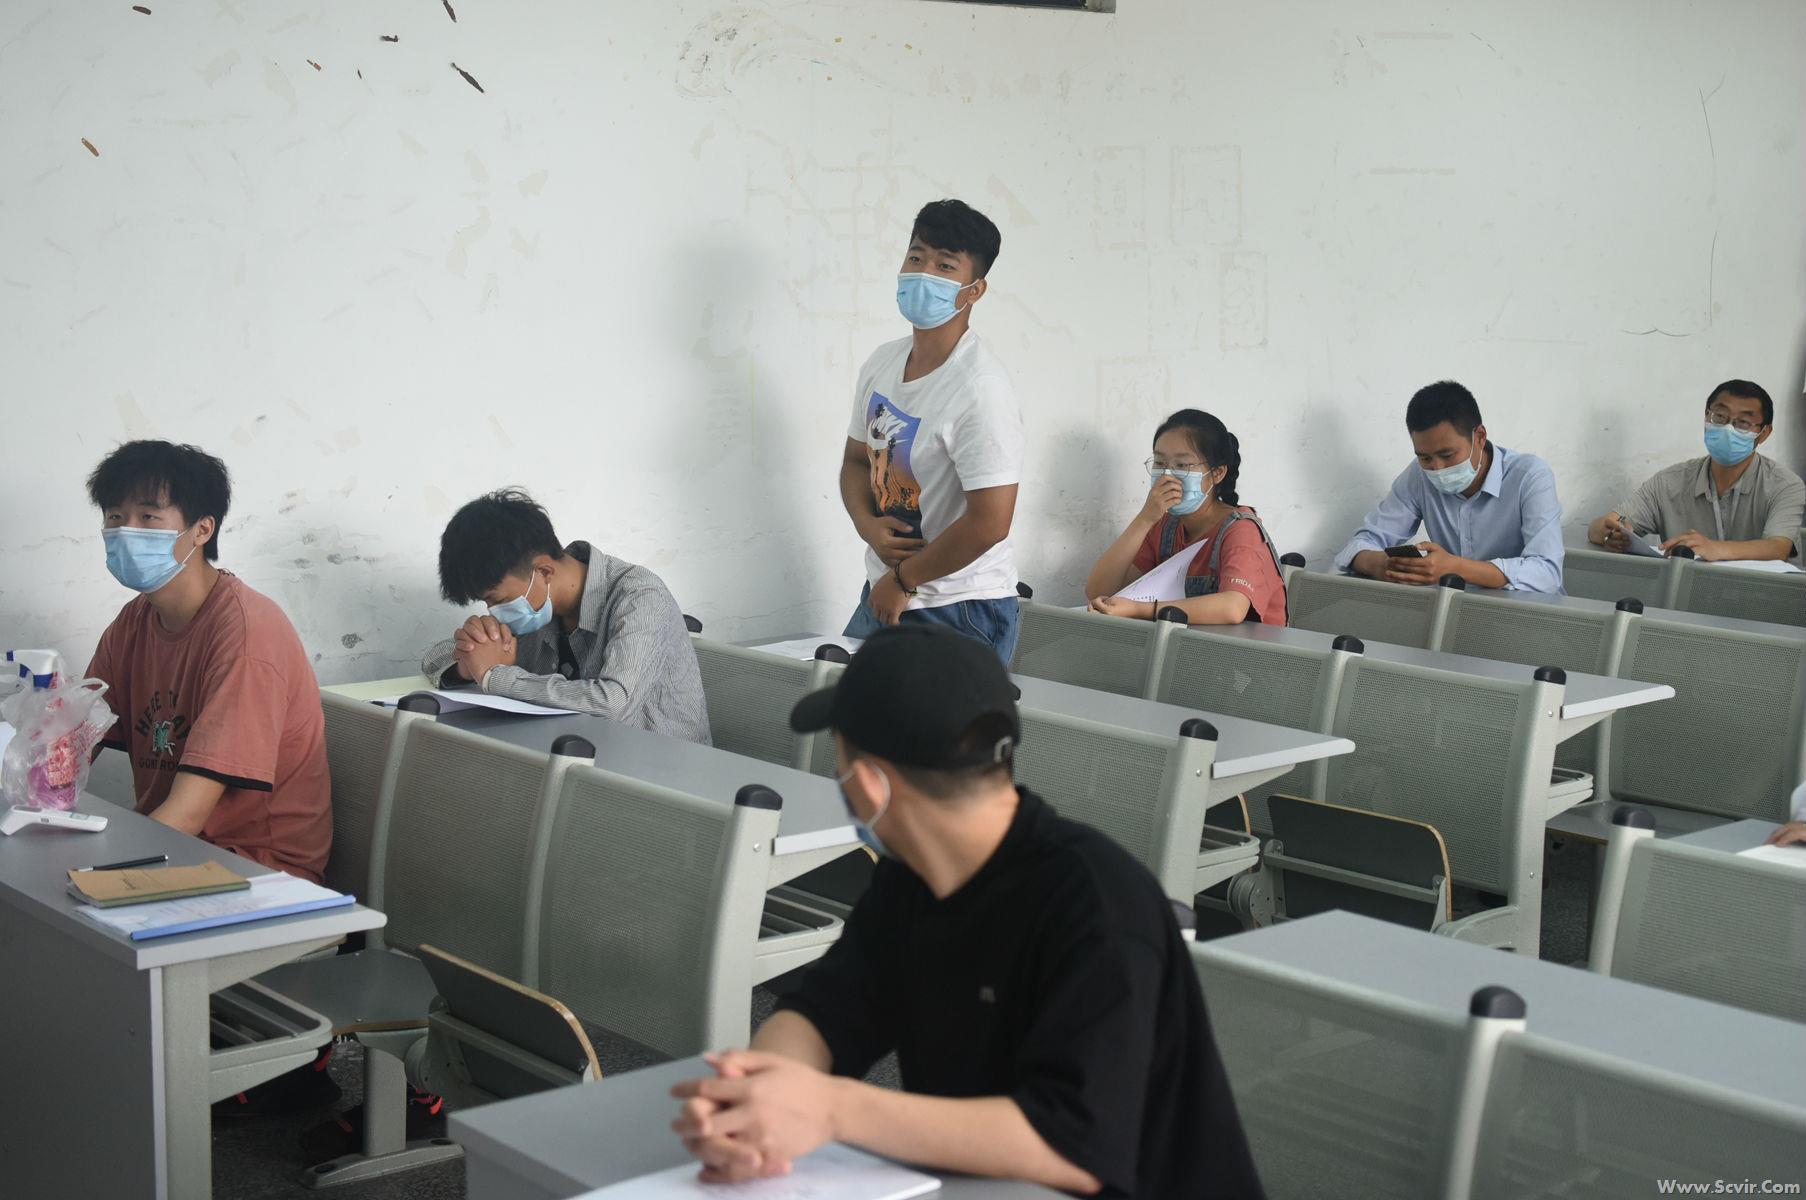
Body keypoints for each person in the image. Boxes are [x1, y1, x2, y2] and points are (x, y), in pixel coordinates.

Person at [668, 626, 1265, 1199]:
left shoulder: (1098, 904)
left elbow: (1072, 1146)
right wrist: (758, 1096)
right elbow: (826, 1012)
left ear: (869, 785)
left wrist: (828, 1110)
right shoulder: (913, 876)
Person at [84, 440, 332, 884]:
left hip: (257, 871)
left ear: (201, 530)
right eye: (115, 517)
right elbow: (73, 741)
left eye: (148, 517)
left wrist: (95, 873)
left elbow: (188, 813)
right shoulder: (134, 622)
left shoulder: (247, 633)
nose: (126, 531)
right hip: (177, 851)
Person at [838, 199, 1025, 662]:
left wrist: (905, 581)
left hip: (960, 606)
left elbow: (991, 523)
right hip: (885, 590)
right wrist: (867, 526)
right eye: (916, 257)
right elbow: (857, 461)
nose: (923, 273)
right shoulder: (882, 362)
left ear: (974, 290)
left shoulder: (980, 389)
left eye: (945, 266)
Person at [420, 489, 711, 744]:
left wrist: (493, 676)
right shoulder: (534, 602)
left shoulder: (640, 596)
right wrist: (468, 665)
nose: (493, 612)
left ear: (544, 571)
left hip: (657, 769)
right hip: (568, 757)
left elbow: (612, 704)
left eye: (498, 600)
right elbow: (433, 660)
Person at [1335, 380, 1565, 593]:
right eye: (1425, 457)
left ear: (1479, 437)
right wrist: (1382, 564)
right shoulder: (1419, 475)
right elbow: (1362, 542)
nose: (1437, 468)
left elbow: (1547, 573)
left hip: (1527, 614)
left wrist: (1456, 568)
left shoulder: (1529, 476)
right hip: (1452, 612)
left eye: (1447, 455)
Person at [1085, 409, 1287, 625]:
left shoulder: (1241, 530)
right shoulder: (1164, 526)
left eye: (1182, 465)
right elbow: (1099, 590)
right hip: (1186, 643)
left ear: (1217, 473)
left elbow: (1232, 608)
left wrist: (1138, 610)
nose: (1167, 475)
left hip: (1247, 646)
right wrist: (1144, 519)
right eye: (1160, 462)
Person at [1589, 380, 1803, 562]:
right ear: (1706, 418)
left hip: (1758, 594)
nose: (1728, 428)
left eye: (1744, 423)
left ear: (1764, 433)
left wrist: (1714, 549)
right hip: (1684, 593)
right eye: (1720, 416)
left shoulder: (1785, 485)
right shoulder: (1669, 482)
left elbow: (1778, 547)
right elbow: (1599, 527)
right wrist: (1610, 534)